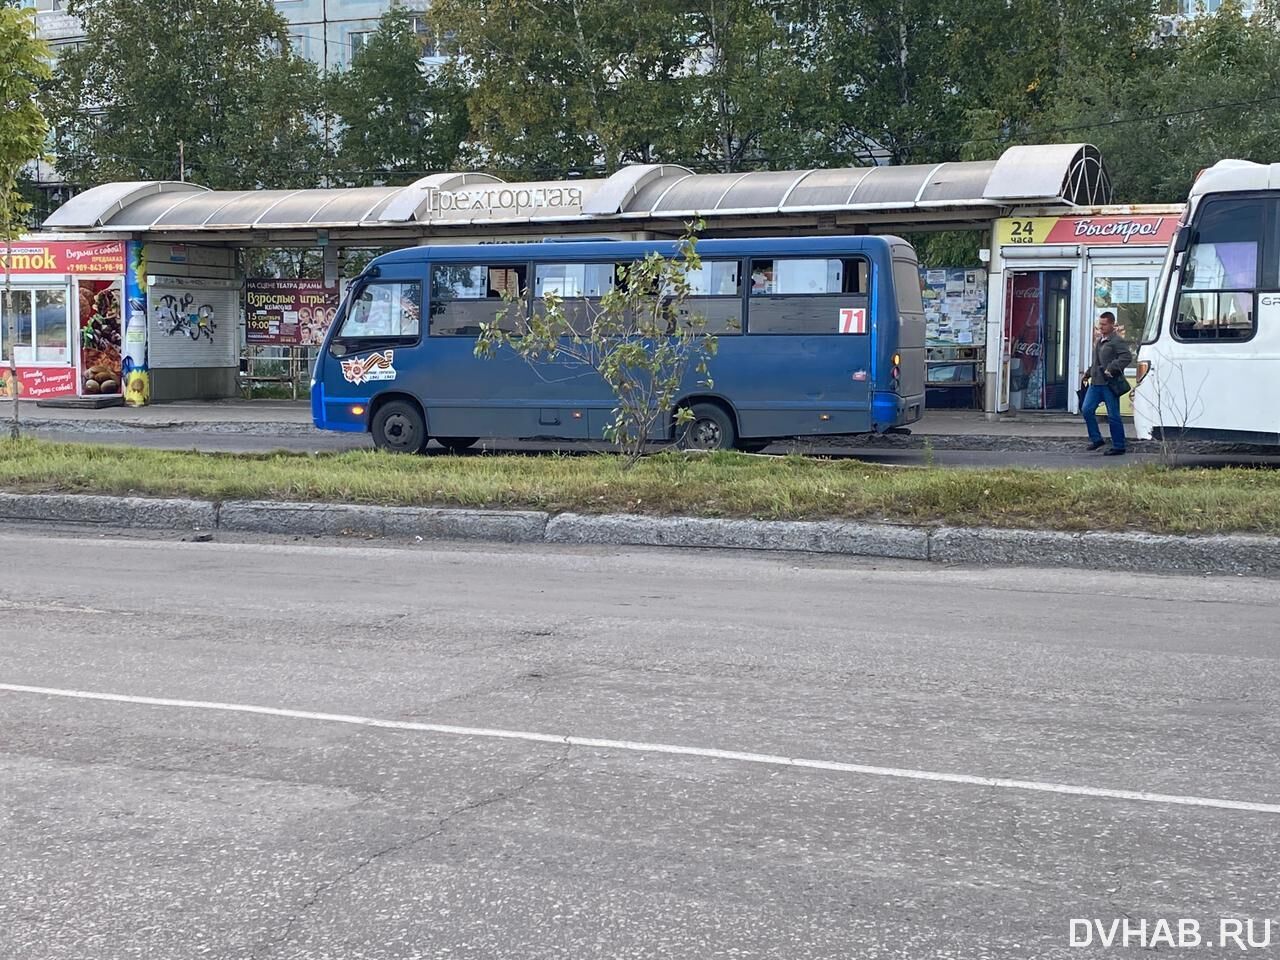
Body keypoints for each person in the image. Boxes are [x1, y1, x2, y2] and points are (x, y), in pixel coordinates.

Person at [1081, 310, 1133, 455]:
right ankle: (1096, 439)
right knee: (1087, 409)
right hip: (1096, 383)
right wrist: (1087, 374)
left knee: (1113, 415)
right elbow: (1096, 362)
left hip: (1109, 384)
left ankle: (1118, 445)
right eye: (1100, 324)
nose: (1101, 327)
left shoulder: (1117, 341)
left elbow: (1126, 357)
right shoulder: (1100, 341)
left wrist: (1112, 368)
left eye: (1104, 324)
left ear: (1112, 325)